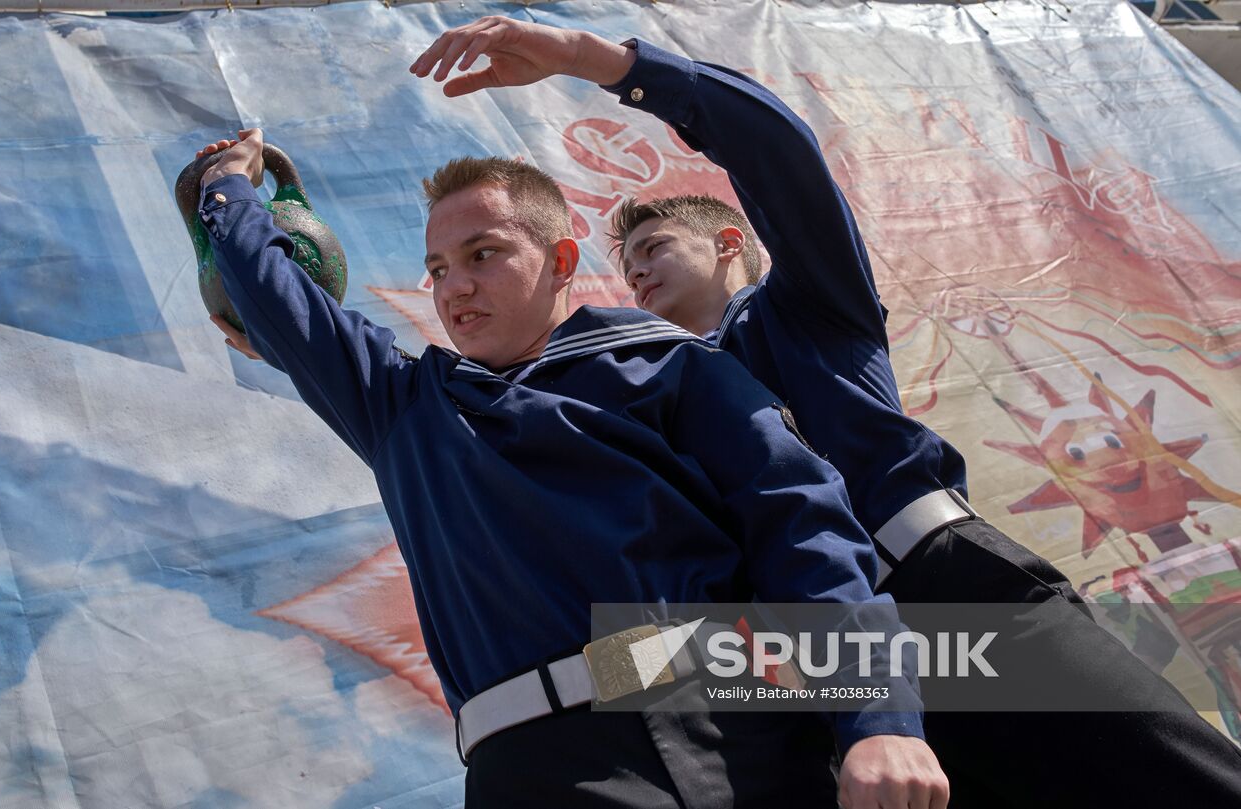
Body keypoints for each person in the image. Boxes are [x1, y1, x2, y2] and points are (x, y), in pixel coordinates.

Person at [410, 14, 1241, 808]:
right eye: (624, 269)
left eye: (654, 248)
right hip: (800, 677)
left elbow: (781, 154)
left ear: (730, 244)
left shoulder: (806, 312)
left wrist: (604, 62)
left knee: (1170, 784)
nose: (637, 277)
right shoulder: (628, 393)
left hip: (938, 606)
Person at [195, 128, 947, 807]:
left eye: (482, 254)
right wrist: (226, 184)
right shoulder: (404, 406)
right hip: (525, 774)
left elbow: (804, 529)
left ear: (559, 261)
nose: (454, 285)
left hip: (727, 738)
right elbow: (280, 302)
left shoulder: (674, 370)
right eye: (437, 268)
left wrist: (879, 716)